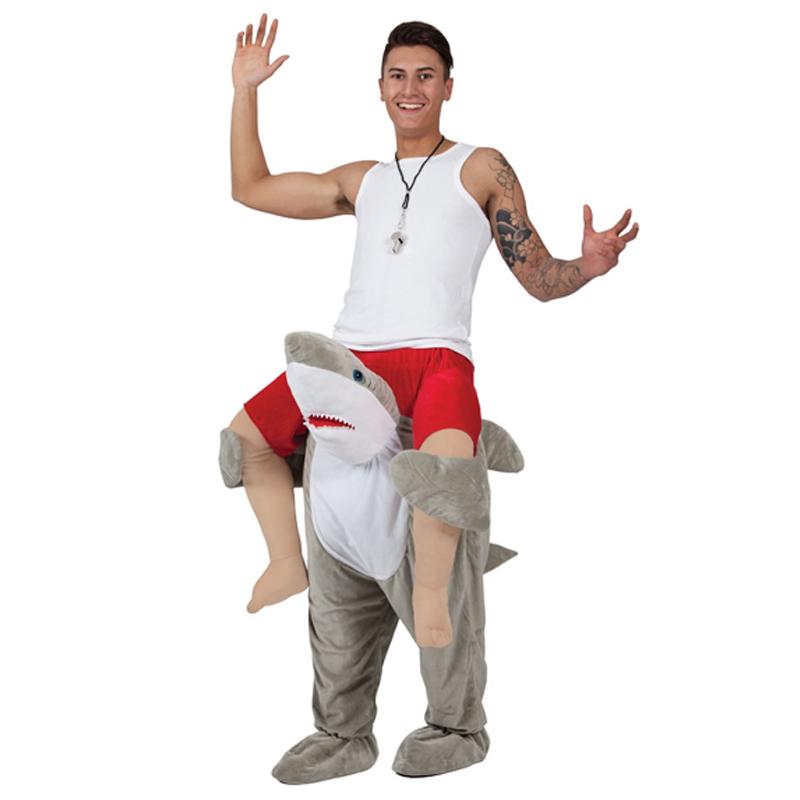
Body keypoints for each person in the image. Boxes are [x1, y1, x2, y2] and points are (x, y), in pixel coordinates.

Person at [226, 14, 639, 649]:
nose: (410, 88)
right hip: (353, 363)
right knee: (246, 437)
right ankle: (285, 560)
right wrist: (245, 92)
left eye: (425, 75)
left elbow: (538, 277)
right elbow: (251, 189)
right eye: (397, 76)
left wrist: (586, 266)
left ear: (448, 86)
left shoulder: (481, 168)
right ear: (380, 88)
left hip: (438, 359)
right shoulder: (361, 180)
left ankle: (429, 597)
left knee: (446, 467)